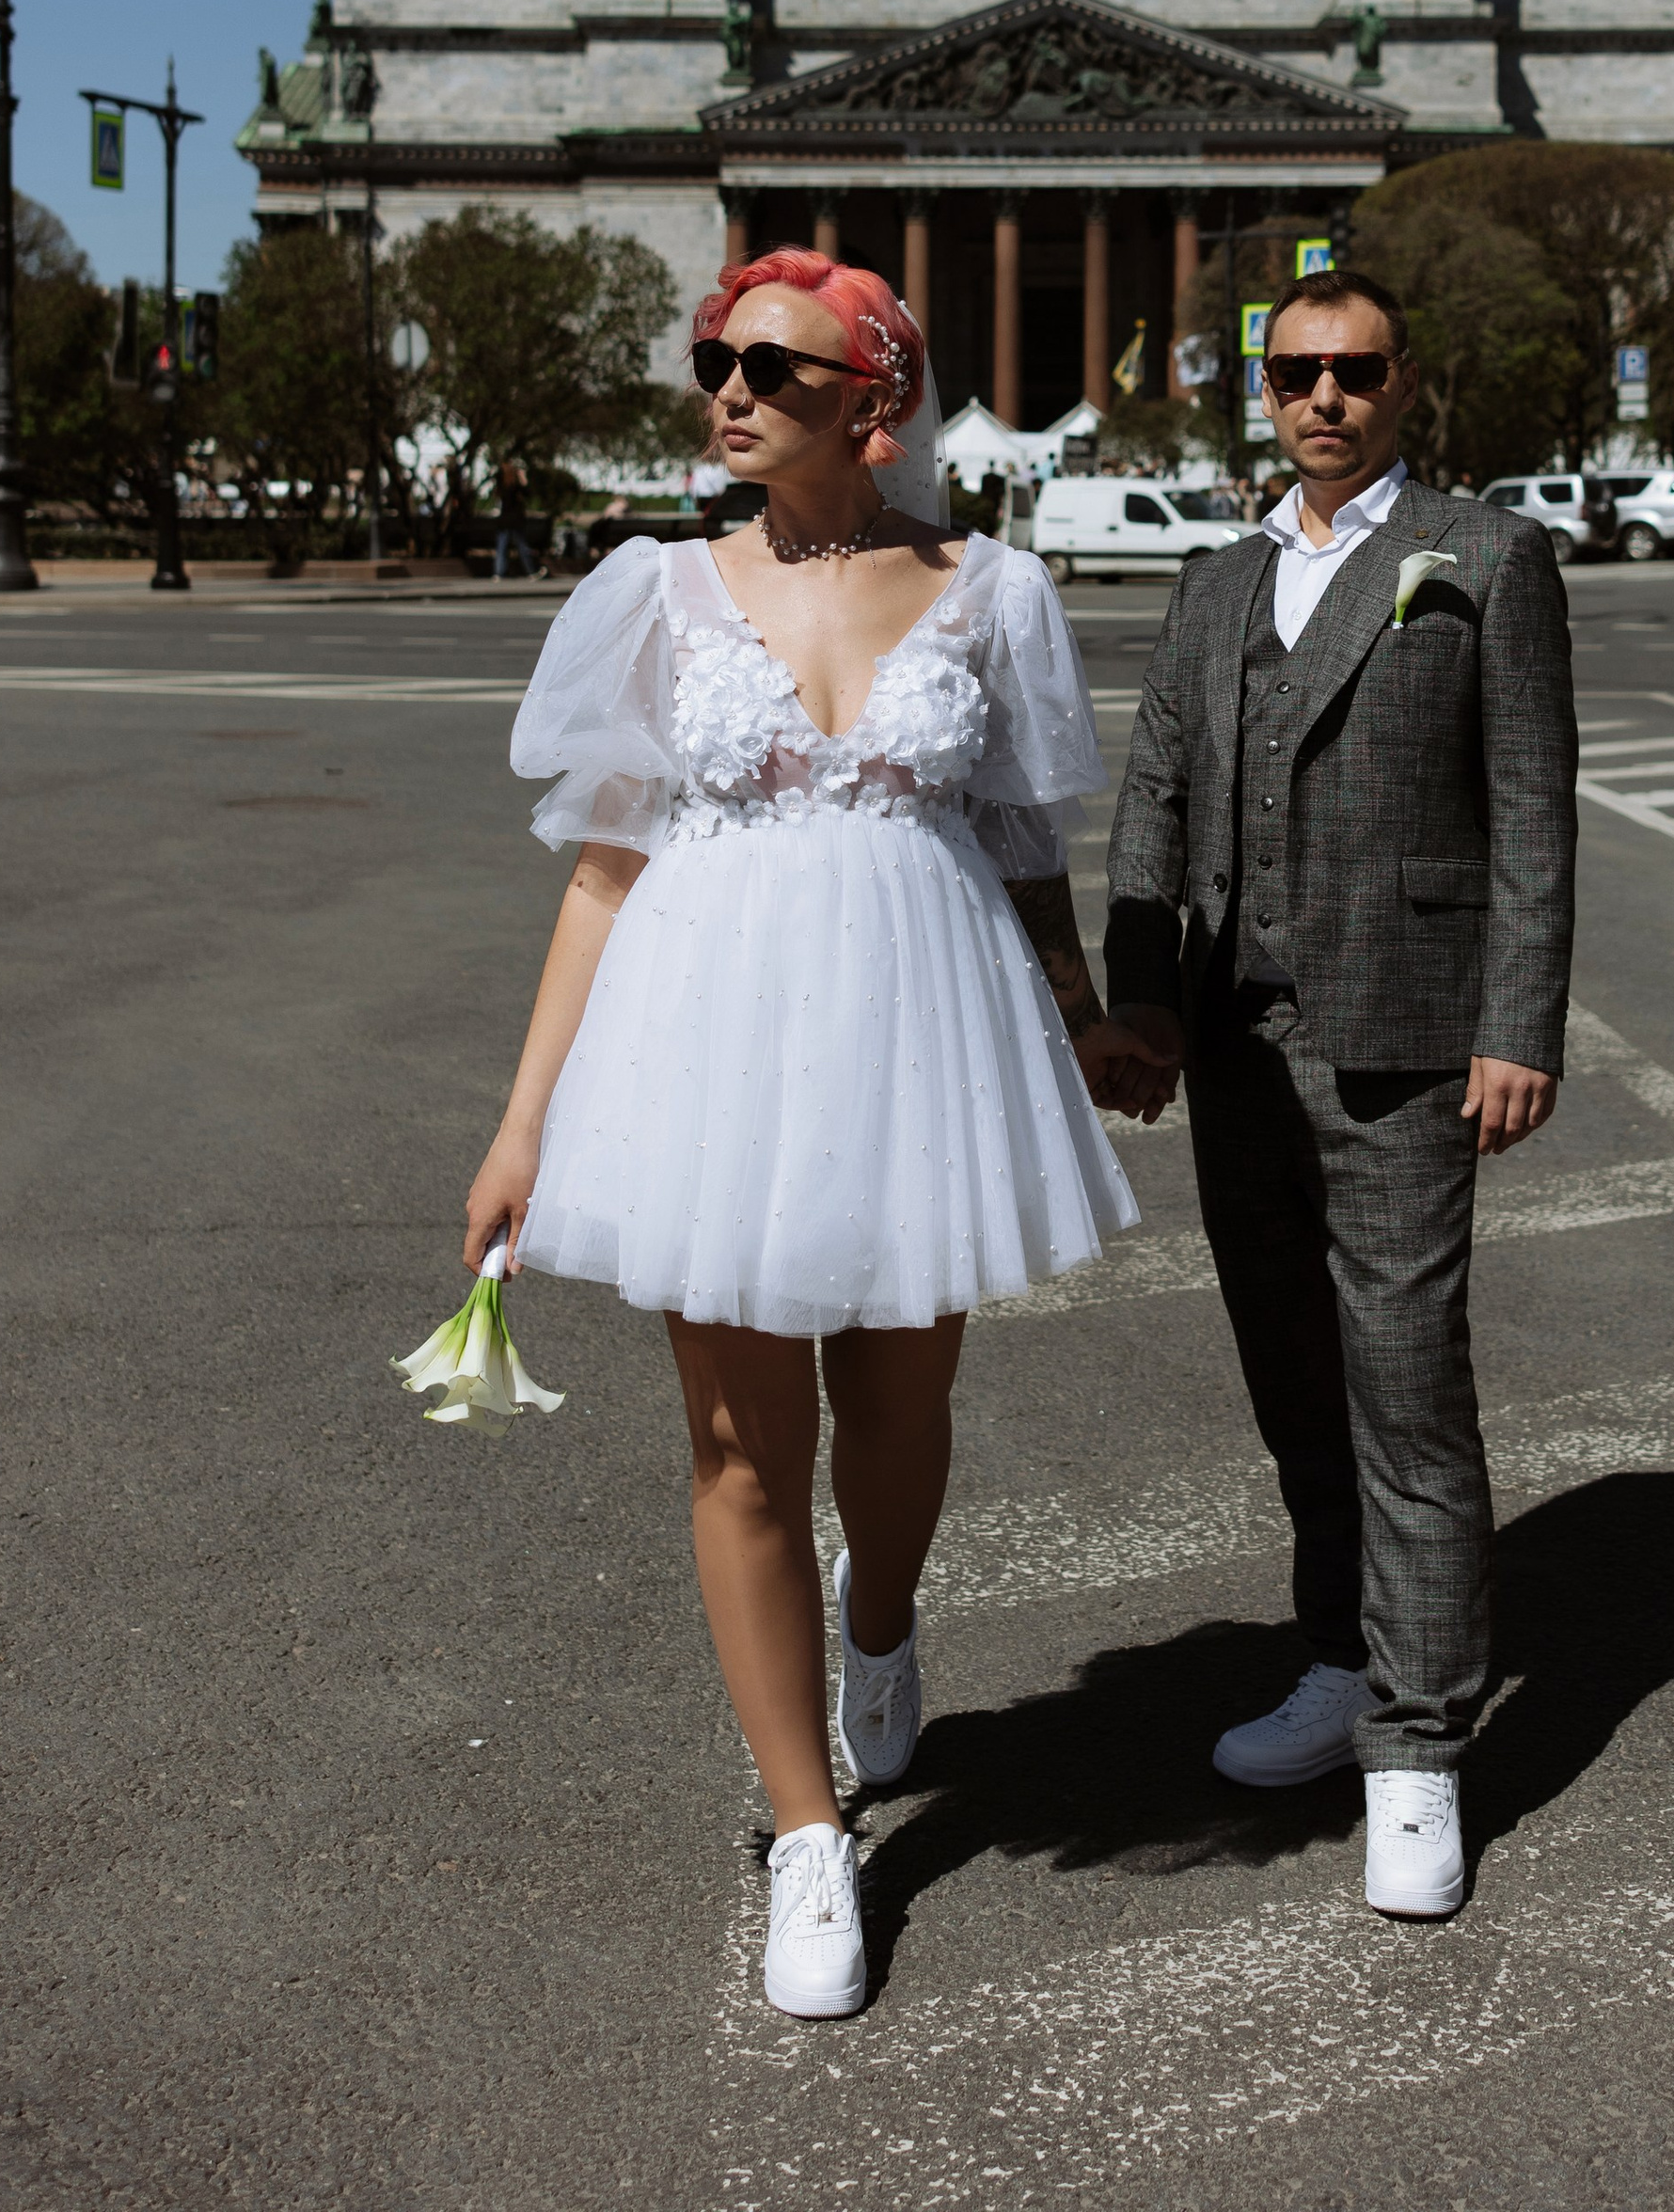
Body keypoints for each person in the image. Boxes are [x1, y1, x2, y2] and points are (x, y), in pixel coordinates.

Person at [466, 252, 1166, 2022]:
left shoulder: (995, 590)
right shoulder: (655, 590)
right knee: (735, 1449)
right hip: (703, 1047)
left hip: (922, 1040)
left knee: (905, 1407)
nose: (725, 387)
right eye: (715, 360)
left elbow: (1016, 836)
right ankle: (807, 1835)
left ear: (875, 399)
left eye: (768, 367)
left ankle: (879, 1618)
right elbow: (605, 872)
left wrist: (1080, 1008)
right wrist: (524, 1123)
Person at [1103, 265, 1576, 1920]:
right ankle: (1334, 1657)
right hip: (1235, 1041)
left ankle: (1423, 1742)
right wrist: (1141, 1005)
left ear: (1406, 384)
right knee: (1293, 1381)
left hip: (1405, 1035)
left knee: (1405, 1390)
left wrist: (1520, 1022)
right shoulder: (1219, 577)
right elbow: (1157, 791)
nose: (1324, 398)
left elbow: (1531, 810)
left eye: (1355, 372)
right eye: (1297, 371)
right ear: (1266, 386)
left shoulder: (1490, 556)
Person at [491, 457, 535, 580]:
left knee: (502, 547)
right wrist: (523, 478)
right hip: (515, 520)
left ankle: (498, 572)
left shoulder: (501, 486)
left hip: (504, 520)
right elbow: (528, 492)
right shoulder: (515, 486)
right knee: (522, 546)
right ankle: (530, 571)